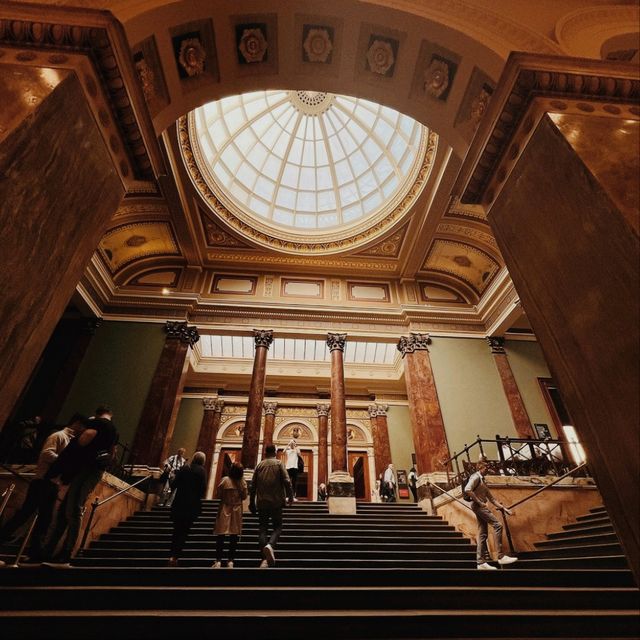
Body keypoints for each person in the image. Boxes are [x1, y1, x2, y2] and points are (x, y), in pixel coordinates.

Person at [0, 414, 90, 561]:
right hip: (43, 480)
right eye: (83, 427)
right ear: (77, 424)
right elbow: (46, 453)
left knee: (44, 519)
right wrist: (64, 461)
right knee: (25, 514)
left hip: (53, 482)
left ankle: (35, 553)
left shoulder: (70, 440)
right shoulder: (59, 435)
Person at [42, 405, 118, 565]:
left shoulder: (97, 424)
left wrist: (73, 449)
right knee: (69, 509)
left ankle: (65, 552)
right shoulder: (113, 431)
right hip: (95, 470)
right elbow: (113, 454)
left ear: (97, 414)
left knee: (73, 508)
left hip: (85, 469)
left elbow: (84, 440)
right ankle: (55, 550)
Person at [465, 455, 518, 570]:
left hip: (480, 506)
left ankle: (480, 562)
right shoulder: (476, 477)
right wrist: (479, 502)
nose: (487, 470)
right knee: (498, 525)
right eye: (485, 468)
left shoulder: (483, 480)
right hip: (479, 506)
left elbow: (492, 499)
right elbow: (467, 489)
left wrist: (505, 509)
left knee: (482, 533)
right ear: (480, 468)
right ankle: (500, 556)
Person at [249, 443, 293, 568]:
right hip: (276, 502)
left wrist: (252, 502)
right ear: (274, 452)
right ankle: (270, 545)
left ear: (265, 452)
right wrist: (290, 496)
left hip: (262, 502)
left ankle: (264, 559)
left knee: (262, 528)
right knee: (277, 527)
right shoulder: (279, 464)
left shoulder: (259, 465)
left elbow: (253, 486)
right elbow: (287, 480)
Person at [168, 451, 207, 567]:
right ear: (203, 461)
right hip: (191, 506)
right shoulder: (202, 471)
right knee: (184, 530)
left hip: (179, 503)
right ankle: (176, 556)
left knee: (176, 530)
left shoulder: (184, 468)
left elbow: (173, 484)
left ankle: (172, 555)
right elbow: (203, 490)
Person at [212, 461, 247, 568]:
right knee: (234, 535)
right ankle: (231, 560)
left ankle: (218, 560)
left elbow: (218, 494)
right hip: (236, 509)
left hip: (225, 508)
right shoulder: (242, 482)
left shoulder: (225, 480)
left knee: (221, 535)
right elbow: (245, 496)